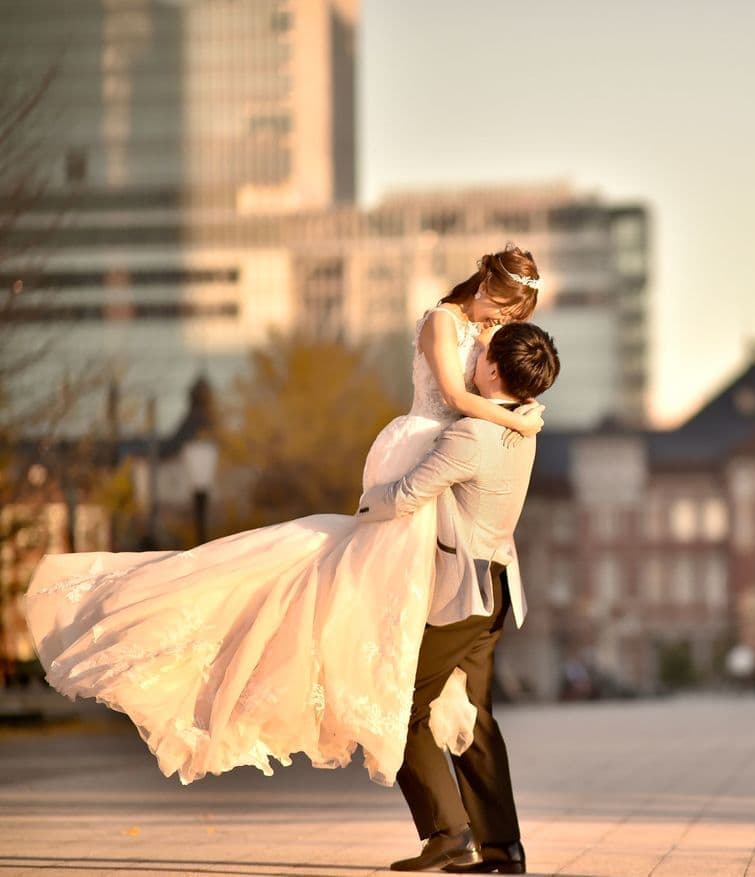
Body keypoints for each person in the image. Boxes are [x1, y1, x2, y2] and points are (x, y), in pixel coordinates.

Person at [21, 244, 545, 787]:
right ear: (484, 286)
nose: (502, 322)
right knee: (366, 594)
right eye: (503, 309)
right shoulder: (443, 320)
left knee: (406, 608)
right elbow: (458, 398)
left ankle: (435, 784)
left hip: (447, 465)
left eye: (512, 317)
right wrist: (517, 421)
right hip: (420, 453)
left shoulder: (484, 338)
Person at [355, 321, 560, 874]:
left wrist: (357, 513)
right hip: (496, 589)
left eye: (483, 354)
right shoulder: (524, 427)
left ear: (493, 369)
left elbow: (405, 497)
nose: (473, 358)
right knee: (476, 717)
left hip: (463, 596)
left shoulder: (471, 436)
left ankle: (449, 832)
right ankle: (503, 850)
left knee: (399, 704)